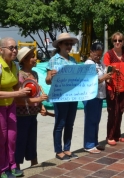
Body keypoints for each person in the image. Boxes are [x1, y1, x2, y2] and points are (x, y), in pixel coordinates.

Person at [0, 37, 31, 178]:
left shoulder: (14, 66)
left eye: (15, 48)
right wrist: (17, 93)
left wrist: (30, 89)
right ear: (1, 50)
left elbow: (16, 86)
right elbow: (15, 91)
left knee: (12, 137)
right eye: (11, 48)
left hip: (10, 105)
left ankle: (12, 166)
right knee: (2, 138)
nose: (14, 50)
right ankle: (2, 169)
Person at [45, 33, 79, 161]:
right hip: (60, 96)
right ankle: (58, 150)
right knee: (60, 123)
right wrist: (51, 76)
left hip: (73, 96)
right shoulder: (53, 60)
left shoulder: (73, 60)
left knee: (70, 123)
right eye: (66, 44)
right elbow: (47, 81)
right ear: (59, 45)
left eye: (70, 44)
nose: (69, 46)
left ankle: (67, 149)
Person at [14, 47, 48, 170]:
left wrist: (41, 106)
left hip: (33, 114)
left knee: (32, 141)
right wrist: (38, 101)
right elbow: (18, 100)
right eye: (32, 57)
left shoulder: (35, 74)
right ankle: (16, 167)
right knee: (20, 142)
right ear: (24, 59)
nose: (35, 59)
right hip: (21, 115)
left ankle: (35, 164)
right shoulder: (19, 76)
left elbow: (37, 94)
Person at [103, 32, 124, 146]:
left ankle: (117, 134)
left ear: (123, 42)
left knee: (120, 111)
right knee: (112, 112)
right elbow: (107, 70)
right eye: (115, 40)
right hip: (112, 87)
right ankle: (110, 136)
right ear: (112, 42)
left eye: (120, 40)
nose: (117, 42)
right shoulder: (108, 54)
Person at [83, 42, 111, 153]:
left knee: (96, 120)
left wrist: (108, 75)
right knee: (90, 120)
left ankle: (94, 142)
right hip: (91, 97)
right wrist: (104, 77)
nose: (98, 57)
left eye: (100, 55)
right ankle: (88, 145)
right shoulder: (88, 64)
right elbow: (91, 81)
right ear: (91, 52)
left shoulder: (100, 64)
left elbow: (105, 75)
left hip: (99, 96)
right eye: (97, 55)